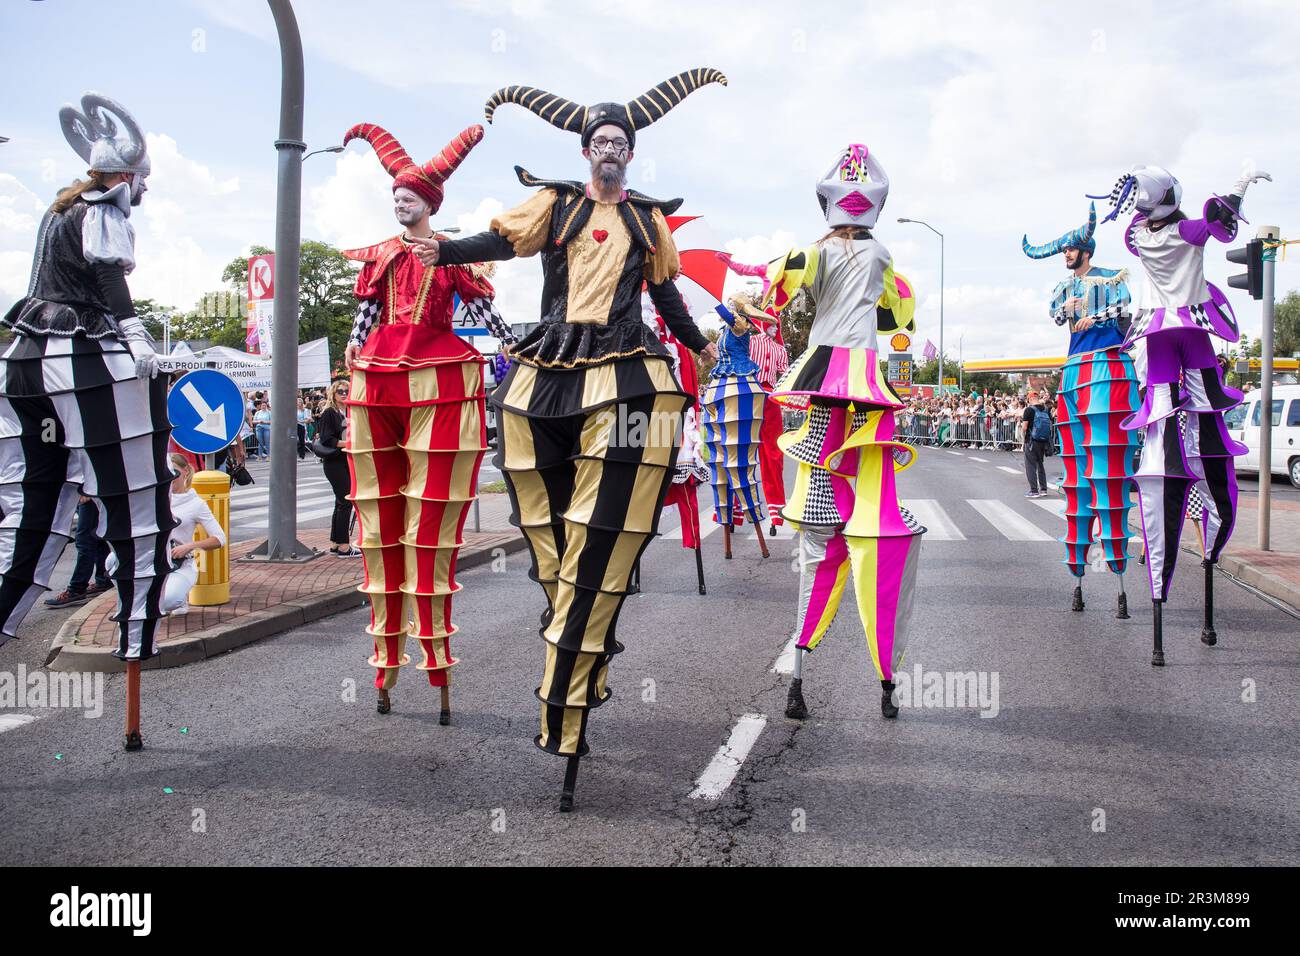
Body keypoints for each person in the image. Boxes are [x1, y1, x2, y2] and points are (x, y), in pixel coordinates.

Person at [417, 70, 724, 810]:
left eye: (622, 140)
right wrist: (446, 250)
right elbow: (501, 239)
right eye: (601, 140)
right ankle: (579, 621)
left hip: (624, 375)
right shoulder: (554, 203)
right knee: (550, 523)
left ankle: (571, 680)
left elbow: (666, 294)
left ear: (631, 151)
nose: (611, 150)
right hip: (551, 368)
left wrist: (700, 347)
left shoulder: (647, 223)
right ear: (587, 149)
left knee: (602, 528)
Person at [0, 93, 177, 752]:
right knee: (136, 510)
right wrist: (135, 339)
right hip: (85, 357)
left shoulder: (57, 210)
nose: (144, 190)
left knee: (29, 513)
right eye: (143, 180)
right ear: (124, 178)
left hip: (23, 360)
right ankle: (135, 635)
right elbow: (108, 278)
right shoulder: (101, 209)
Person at [340, 120, 515, 723]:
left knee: (430, 525)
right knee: (381, 523)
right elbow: (365, 317)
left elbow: (488, 312)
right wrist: (352, 355)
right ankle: (385, 660)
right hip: (379, 378)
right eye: (395, 195)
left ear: (430, 203)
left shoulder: (448, 255)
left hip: (438, 374)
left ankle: (436, 658)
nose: (400, 201)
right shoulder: (384, 256)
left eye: (410, 195)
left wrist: (515, 346)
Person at [759, 143, 924, 724]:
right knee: (872, 516)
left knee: (815, 534)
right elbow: (897, 315)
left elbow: (776, 297)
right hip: (865, 395)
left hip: (829, 386)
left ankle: (801, 672)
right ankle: (884, 681)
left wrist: (763, 286)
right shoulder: (884, 256)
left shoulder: (810, 253)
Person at [1091, 161, 1269, 662]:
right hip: (1190, 329)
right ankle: (1206, 544)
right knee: (1204, 412)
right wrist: (1235, 190)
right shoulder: (1186, 230)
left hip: (1158, 335)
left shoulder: (1135, 237)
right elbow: (1216, 222)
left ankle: (1165, 583)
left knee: (1162, 419)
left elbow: (1156, 223)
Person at [1023, 202, 1137, 614]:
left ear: (1085, 249)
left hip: (1107, 370)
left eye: (1070, 249)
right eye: (1063, 251)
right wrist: (1067, 311)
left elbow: (1127, 311)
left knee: (1108, 468)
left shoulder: (1112, 277)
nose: (1066, 256)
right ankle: (1078, 576)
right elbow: (1056, 316)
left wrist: (1097, 315)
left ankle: (1120, 573)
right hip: (1075, 374)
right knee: (1076, 470)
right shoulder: (1065, 288)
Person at [717, 257, 792, 535]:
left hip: (757, 396)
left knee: (754, 453)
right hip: (758, 394)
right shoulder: (760, 342)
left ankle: (752, 510)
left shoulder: (759, 343)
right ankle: (757, 510)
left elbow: (784, 375)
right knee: (755, 453)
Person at [701, 297, 770, 559]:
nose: (728, 310)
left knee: (738, 461)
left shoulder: (741, 326)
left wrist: (717, 299)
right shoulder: (725, 333)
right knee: (719, 463)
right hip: (720, 389)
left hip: (739, 390)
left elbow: (731, 318)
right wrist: (707, 356)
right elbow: (721, 352)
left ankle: (754, 517)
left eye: (733, 305)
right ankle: (726, 522)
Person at [315, 380, 360, 557]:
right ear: (333, 393)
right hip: (334, 462)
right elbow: (327, 439)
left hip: (344, 461)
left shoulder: (347, 411)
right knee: (345, 501)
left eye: (346, 391)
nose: (343, 393)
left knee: (340, 502)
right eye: (340, 391)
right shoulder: (329, 413)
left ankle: (335, 543)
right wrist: (348, 443)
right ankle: (343, 546)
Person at [43, 496, 113, 607]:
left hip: (88, 490)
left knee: (84, 540)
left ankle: (77, 589)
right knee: (94, 536)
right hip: (83, 490)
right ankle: (103, 580)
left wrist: (86, 488)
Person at [1022, 390, 1051, 497]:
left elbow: (1025, 427)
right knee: (1040, 464)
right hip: (1043, 441)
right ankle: (1043, 489)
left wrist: (1022, 437)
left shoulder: (1029, 410)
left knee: (1030, 465)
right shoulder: (1045, 409)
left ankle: (1034, 491)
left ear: (1029, 399)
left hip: (1031, 440)